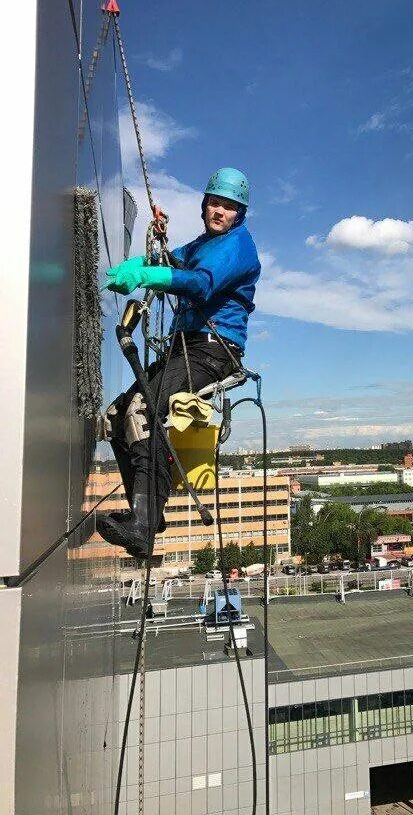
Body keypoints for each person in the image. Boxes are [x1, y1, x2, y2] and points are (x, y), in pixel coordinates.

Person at [96, 167, 261, 558]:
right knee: (118, 415)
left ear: (240, 213)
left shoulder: (239, 247)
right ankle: (147, 513)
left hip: (213, 351)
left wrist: (148, 273)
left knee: (142, 410)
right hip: (184, 347)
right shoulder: (203, 244)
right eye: (214, 202)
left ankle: (143, 523)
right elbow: (172, 263)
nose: (219, 211)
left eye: (229, 206)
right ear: (205, 205)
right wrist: (154, 253)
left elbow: (201, 283)